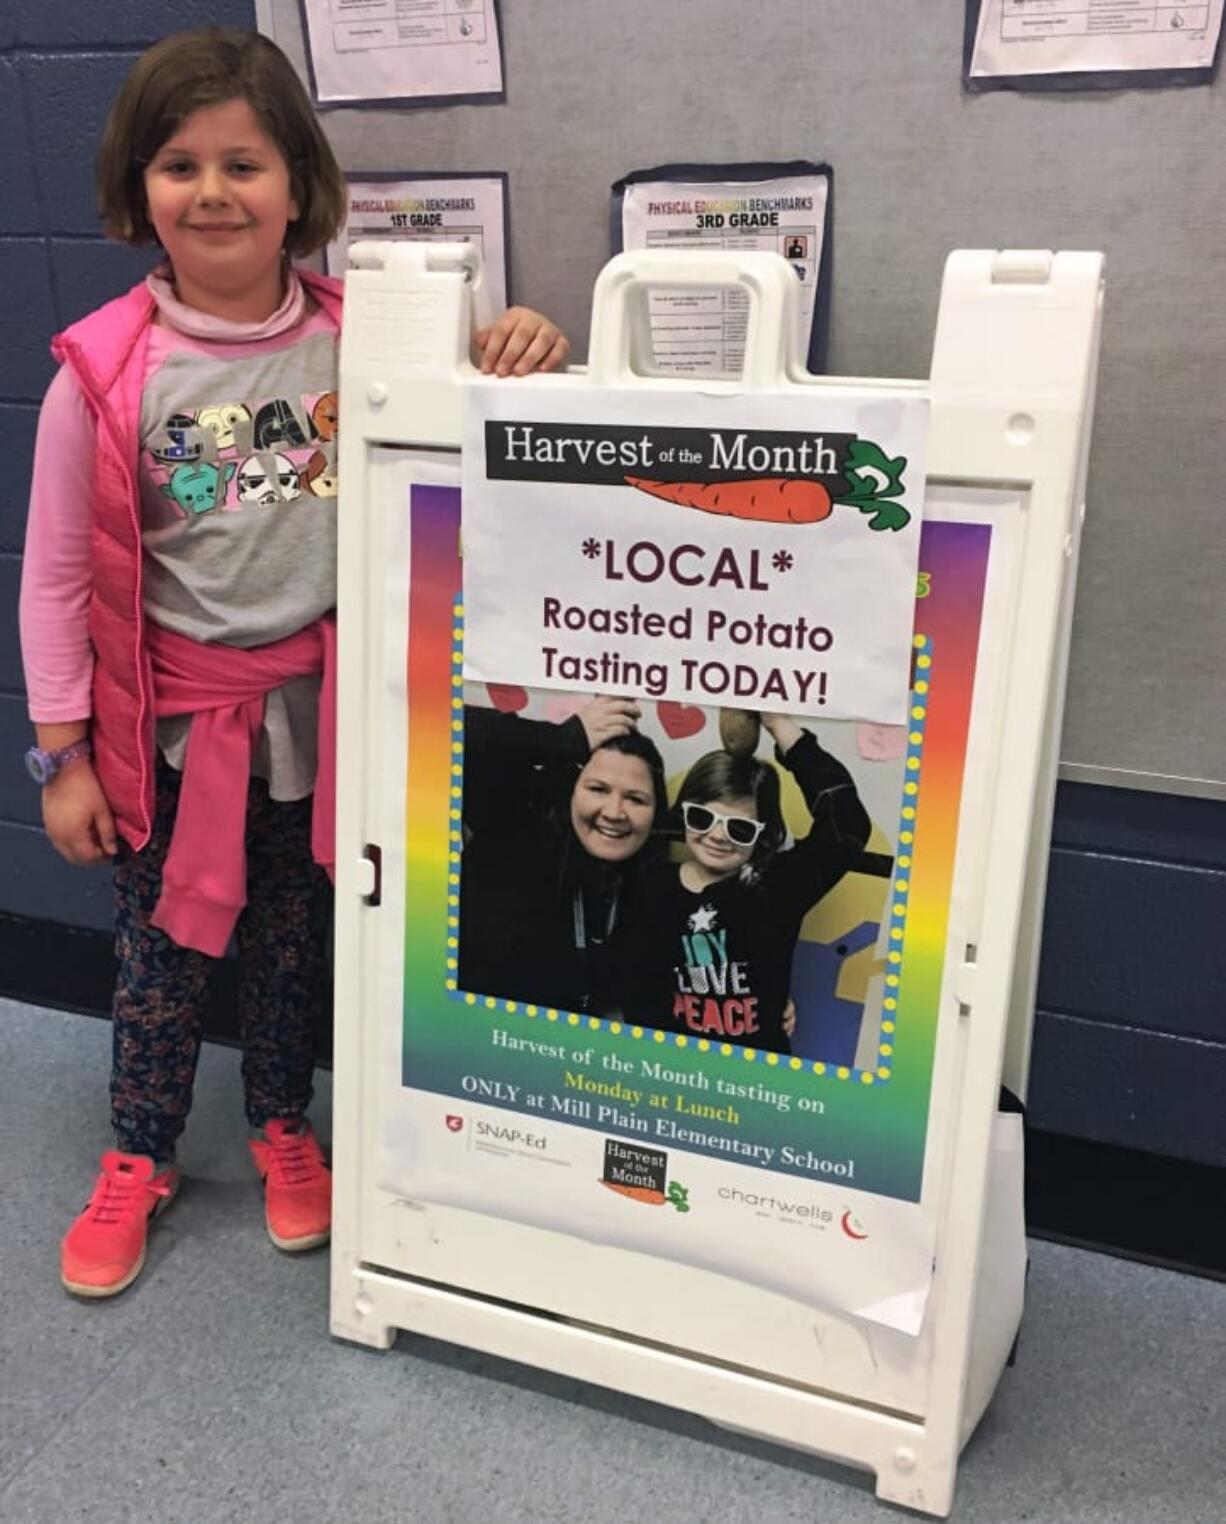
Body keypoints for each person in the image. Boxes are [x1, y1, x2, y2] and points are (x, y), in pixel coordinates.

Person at [18, 27, 569, 1298]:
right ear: (136, 186)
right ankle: (138, 1154)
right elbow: (53, 576)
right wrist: (59, 758)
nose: (211, 193)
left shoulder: (363, 338)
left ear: (297, 185)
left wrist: (517, 340)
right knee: (160, 960)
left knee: (292, 942)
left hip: (329, 729)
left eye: (244, 163)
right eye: (178, 165)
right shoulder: (101, 374)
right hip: (168, 736)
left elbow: (485, 418)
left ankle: (281, 1125)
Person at [621, 714, 870, 1053]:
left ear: (762, 834)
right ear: (684, 815)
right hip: (668, 1071)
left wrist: (781, 727)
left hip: (755, 1079)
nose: (718, 835)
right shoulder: (649, 886)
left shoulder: (776, 887)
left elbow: (847, 822)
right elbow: (636, 989)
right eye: (702, 818)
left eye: (739, 828)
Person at [459, 697, 668, 1016]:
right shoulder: (514, 832)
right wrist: (561, 740)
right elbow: (431, 725)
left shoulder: (651, 890)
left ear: (656, 815)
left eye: (636, 799)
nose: (614, 812)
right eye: (598, 789)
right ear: (571, 791)